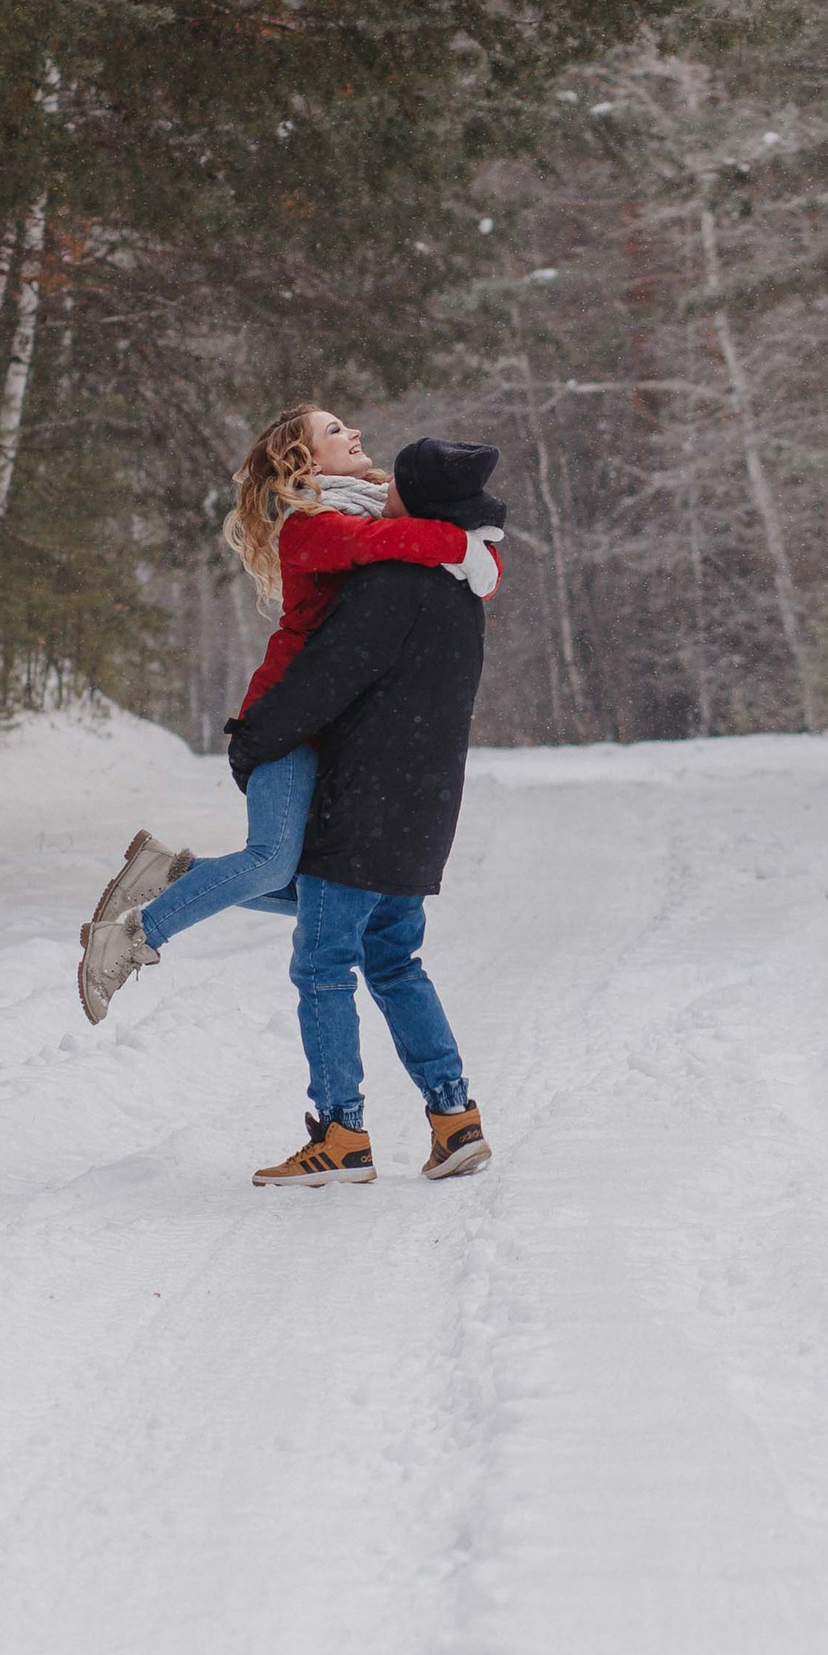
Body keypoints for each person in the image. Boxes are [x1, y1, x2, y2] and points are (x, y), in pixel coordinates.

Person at [76, 404, 500, 1023]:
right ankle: (135, 935)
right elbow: (394, 542)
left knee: (323, 894)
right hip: (285, 718)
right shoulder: (313, 526)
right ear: (301, 462)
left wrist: (476, 549)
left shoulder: (369, 501)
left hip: (329, 729)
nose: (353, 433)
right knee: (273, 861)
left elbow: (438, 533)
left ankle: (173, 873)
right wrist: (464, 546)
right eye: (334, 431)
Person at [225, 436, 506, 1188]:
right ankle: (454, 1120)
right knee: (394, 959)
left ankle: (340, 1131)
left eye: (396, 486)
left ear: (415, 500)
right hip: (424, 809)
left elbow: (324, 680)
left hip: (362, 807)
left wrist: (252, 744)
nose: (383, 488)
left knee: (323, 965)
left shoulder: (390, 584)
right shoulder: (457, 590)